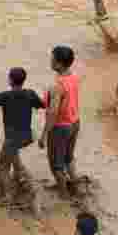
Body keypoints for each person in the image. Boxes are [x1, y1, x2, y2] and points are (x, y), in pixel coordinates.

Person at [0, 67, 46, 205]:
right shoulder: (30, 93)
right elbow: (43, 104)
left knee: (3, 167)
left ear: (10, 80)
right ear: (23, 80)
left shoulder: (6, 96)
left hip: (12, 139)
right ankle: (21, 180)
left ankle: (6, 196)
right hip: (27, 136)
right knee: (14, 157)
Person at [39, 45, 81, 198]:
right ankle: (75, 185)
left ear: (59, 64)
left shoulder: (57, 86)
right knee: (68, 158)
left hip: (61, 128)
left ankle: (64, 195)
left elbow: (52, 113)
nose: (50, 61)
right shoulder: (74, 77)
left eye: (52, 59)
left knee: (56, 165)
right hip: (75, 122)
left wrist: (44, 135)